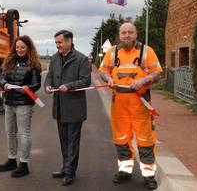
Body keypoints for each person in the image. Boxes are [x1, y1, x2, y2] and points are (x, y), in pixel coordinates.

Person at [99, 22, 162, 190]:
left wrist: (143, 80)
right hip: (119, 103)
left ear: (136, 34)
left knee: (145, 140)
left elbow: (158, 74)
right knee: (120, 139)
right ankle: (125, 171)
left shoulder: (147, 52)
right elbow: (103, 72)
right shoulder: (112, 53)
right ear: (119, 35)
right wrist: (108, 79)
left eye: (130, 32)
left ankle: (149, 175)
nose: (127, 35)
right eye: (124, 33)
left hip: (140, 103)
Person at [44, 30, 91, 186]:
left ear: (69, 41)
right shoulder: (55, 58)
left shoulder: (82, 59)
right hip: (59, 106)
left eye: (60, 42)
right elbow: (50, 75)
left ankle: (70, 172)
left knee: (72, 141)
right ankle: (65, 167)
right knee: (63, 140)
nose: (58, 45)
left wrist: (69, 86)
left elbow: (86, 81)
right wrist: (48, 85)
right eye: (56, 43)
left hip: (74, 107)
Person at [0, 36, 42, 178]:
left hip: (24, 104)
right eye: (17, 47)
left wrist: (28, 88)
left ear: (28, 48)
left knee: (24, 134)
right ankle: (11, 160)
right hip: (9, 102)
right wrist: (4, 84)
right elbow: (2, 77)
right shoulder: (9, 61)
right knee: (10, 132)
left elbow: (36, 84)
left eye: (22, 47)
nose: (19, 50)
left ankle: (24, 164)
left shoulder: (33, 64)